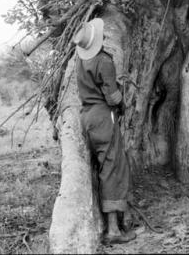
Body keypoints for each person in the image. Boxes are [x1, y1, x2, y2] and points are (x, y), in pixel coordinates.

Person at [73, 17, 135, 245]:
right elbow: (112, 97)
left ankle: (116, 221)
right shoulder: (103, 61)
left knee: (103, 167)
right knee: (111, 168)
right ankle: (113, 231)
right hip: (103, 117)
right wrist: (122, 100)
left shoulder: (80, 62)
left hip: (87, 117)